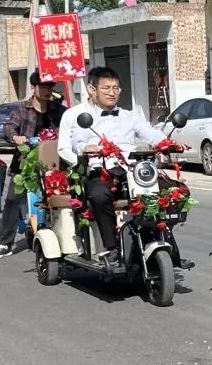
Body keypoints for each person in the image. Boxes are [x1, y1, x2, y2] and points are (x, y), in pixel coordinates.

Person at [57, 66, 169, 267]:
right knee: (99, 195)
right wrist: (86, 150)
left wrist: (167, 143)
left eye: (116, 88)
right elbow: (75, 143)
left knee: (171, 190)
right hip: (100, 171)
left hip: (131, 171)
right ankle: (112, 248)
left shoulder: (130, 116)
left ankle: (158, 236)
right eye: (106, 88)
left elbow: (150, 133)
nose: (112, 93)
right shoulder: (79, 116)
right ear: (92, 89)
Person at [0, 69, 66, 259]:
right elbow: (9, 127)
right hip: (25, 162)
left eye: (50, 87)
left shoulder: (58, 110)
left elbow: (69, 124)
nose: (47, 91)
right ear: (33, 87)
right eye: (43, 87)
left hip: (53, 163)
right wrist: (16, 137)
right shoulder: (22, 109)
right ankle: (5, 243)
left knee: (63, 198)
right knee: (12, 199)